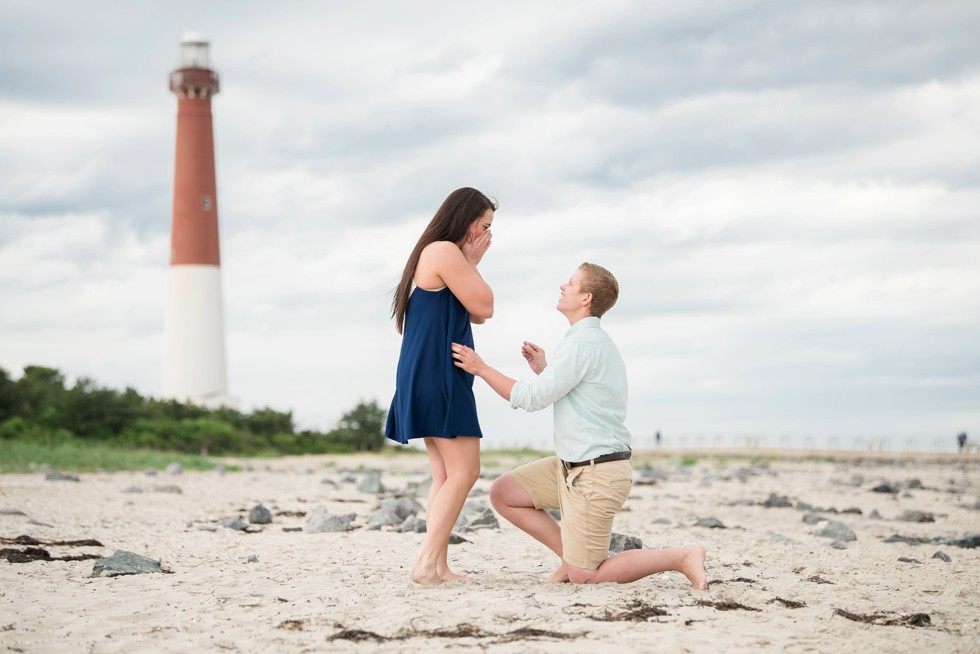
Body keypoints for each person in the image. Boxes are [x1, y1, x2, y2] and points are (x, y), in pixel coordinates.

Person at [452, 263, 707, 588]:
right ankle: (570, 558)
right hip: (571, 468)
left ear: (585, 297)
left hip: (596, 474)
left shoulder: (583, 344)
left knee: (586, 576)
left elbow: (531, 399)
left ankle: (682, 557)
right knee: (504, 492)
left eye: (570, 283)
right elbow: (578, 397)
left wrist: (481, 368)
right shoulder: (585, 342)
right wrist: (546, 369)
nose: (563, 286)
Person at [385, 187, 497, 585]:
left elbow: (475, 314)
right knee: (466, 471)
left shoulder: (437, 254)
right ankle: (425, 564)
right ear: (466, 220)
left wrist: (468, 264)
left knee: (445, 476)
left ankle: (439, 567)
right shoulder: (444, 251)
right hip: (439, 373)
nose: (487, 234)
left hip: (427, 370)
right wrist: (471, 261)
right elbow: (485, 306)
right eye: (484, 225)